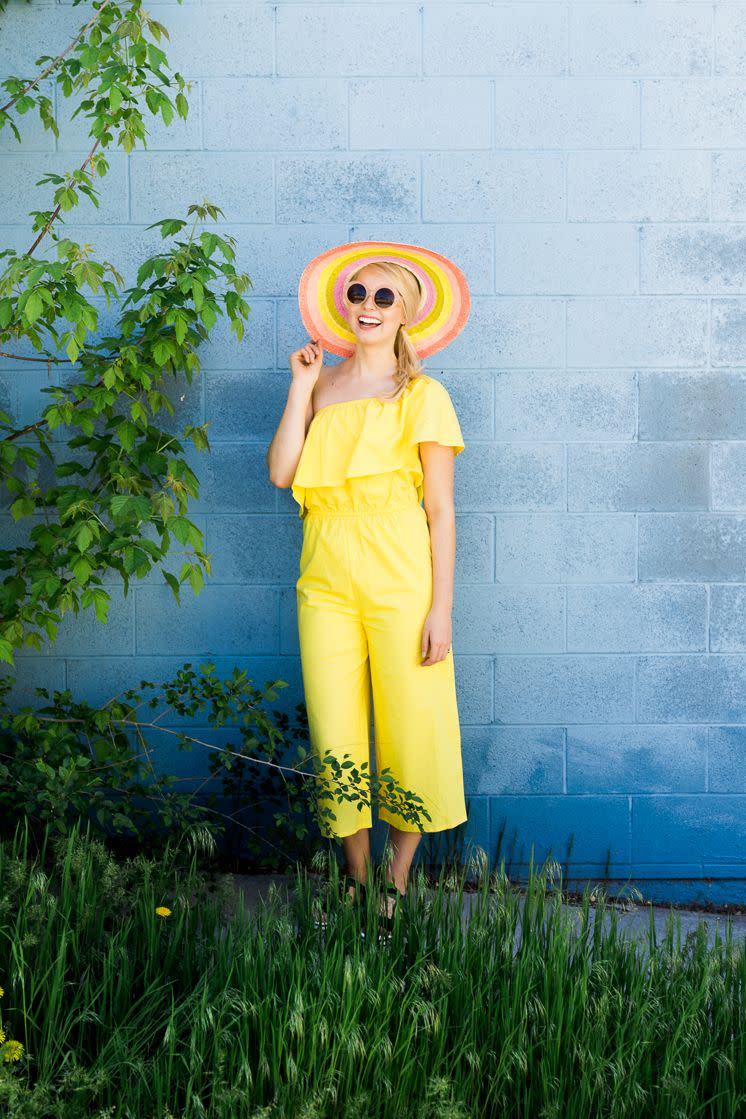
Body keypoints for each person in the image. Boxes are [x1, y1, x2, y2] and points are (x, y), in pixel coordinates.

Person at [266, 241, 471, 935]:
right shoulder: (322, 386)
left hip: (400, 569)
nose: (368, 306)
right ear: (343, 306)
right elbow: (282, 472)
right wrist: (299, 388)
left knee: (415, 722)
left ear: (407, 312)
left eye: (384, 297)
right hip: (324, 569)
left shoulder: (422, 394)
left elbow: (440, 509)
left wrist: (440, 607)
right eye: (358, 294)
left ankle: (395, 882)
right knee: (335, 729)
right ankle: (354, 884)